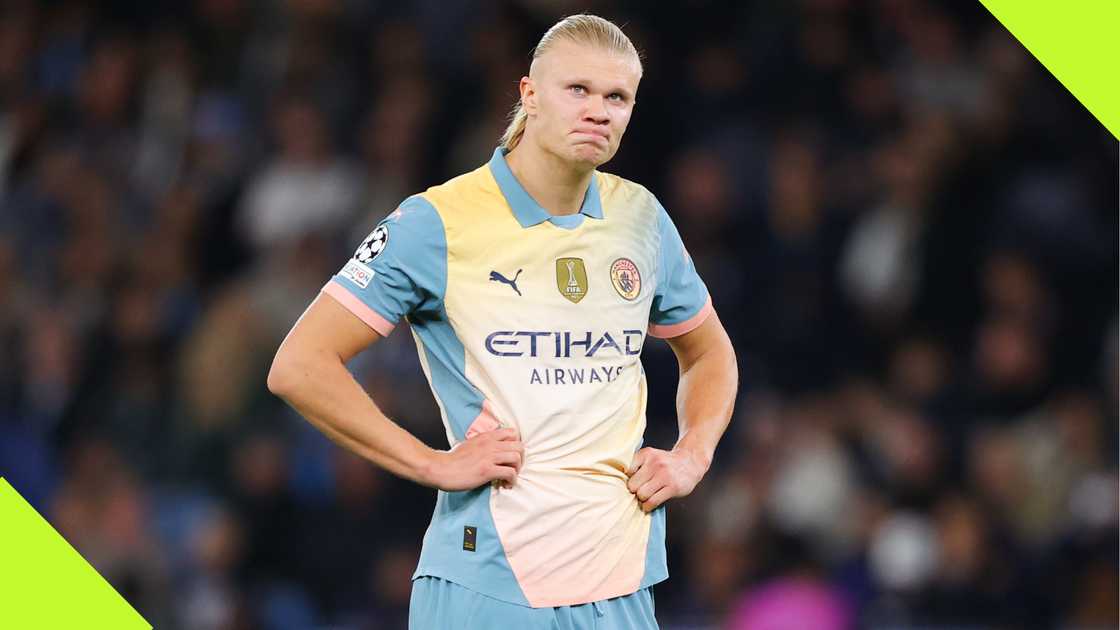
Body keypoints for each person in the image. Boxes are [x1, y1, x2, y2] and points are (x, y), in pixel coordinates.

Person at [267, 14, 738, 629]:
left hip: (622, 583)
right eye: (578, 90)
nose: (598, 110)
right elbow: (299, 366)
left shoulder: (641, 218)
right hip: (489, 585)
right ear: (529, 93)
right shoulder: (435, 222)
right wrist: (430, 463)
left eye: (617, 97)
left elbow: (708, 352)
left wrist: (692, 456)